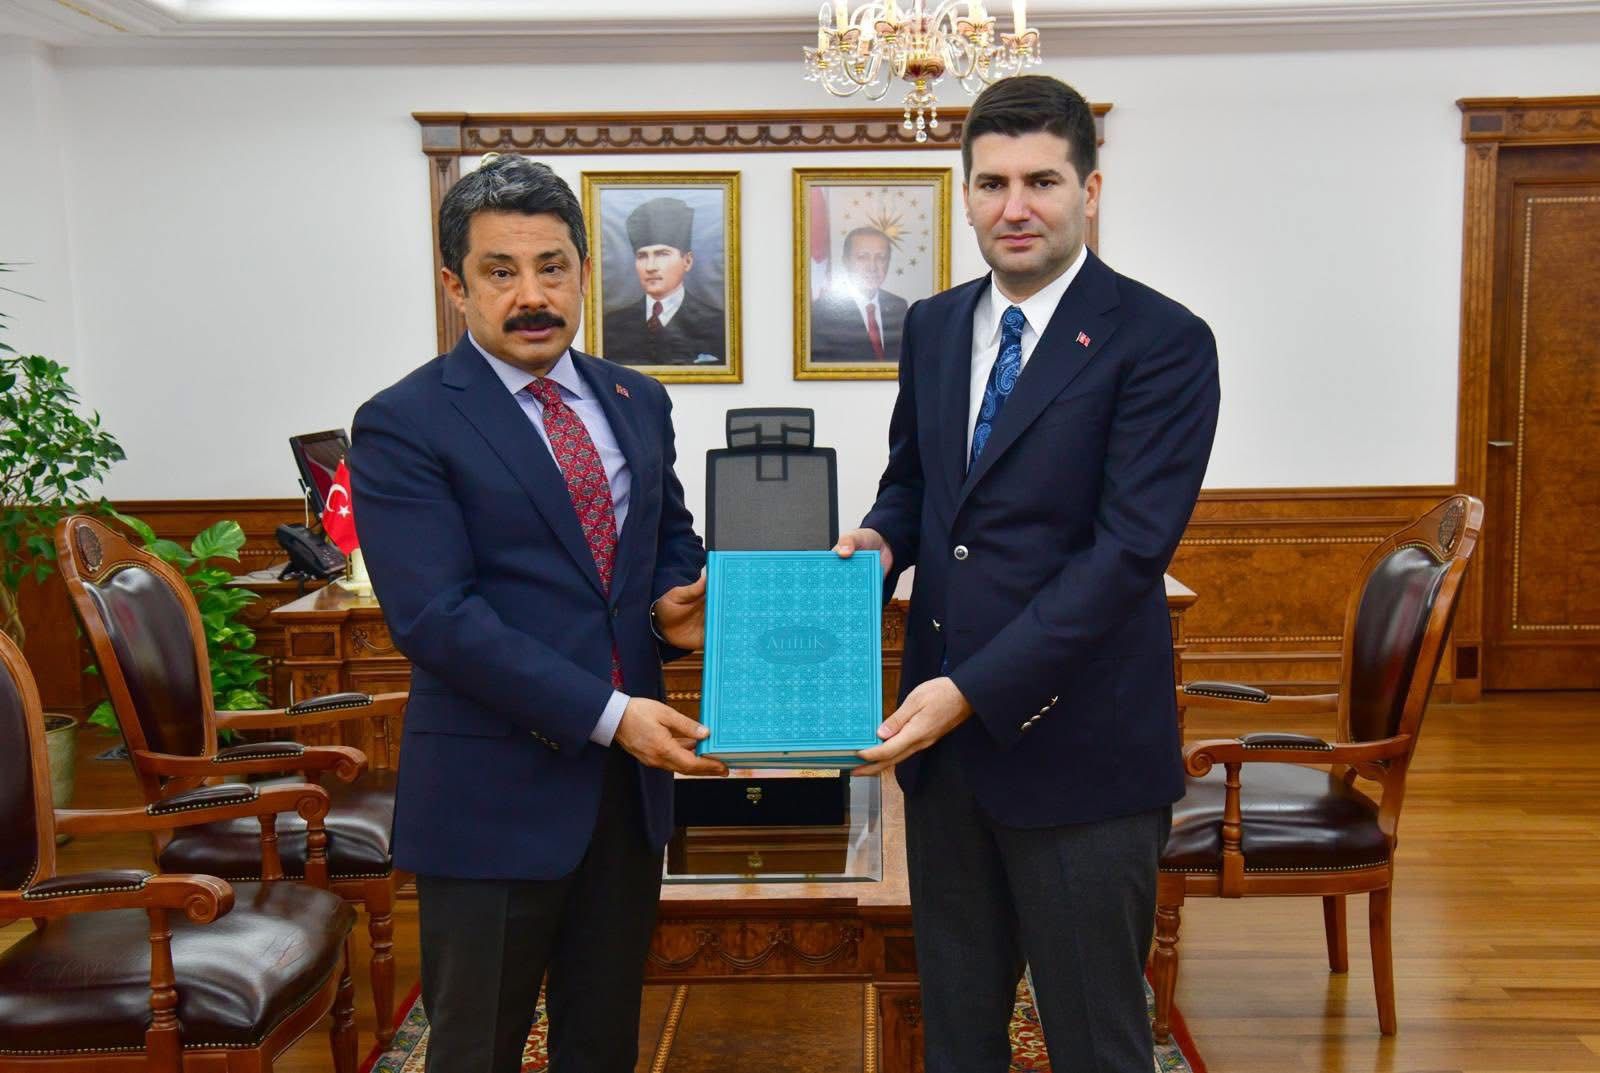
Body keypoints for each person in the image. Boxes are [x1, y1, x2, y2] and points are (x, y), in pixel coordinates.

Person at [836, 75, 1220, 1072]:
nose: (1015, 206)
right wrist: (879, 542)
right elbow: (915, 483)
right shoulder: (933, 326)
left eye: (1041, 181)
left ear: (1089, 190)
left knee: (1094, 1039)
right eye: (992, 182)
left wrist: (970, 688)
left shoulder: (1163, 341)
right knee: (959, 1036)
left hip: (1082, 754)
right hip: (946, 762)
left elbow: (1126, 554)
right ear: (964, 195)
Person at [350, 154, 727, 1073]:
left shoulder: (637, 398)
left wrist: (670, 611)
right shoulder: (404, 422)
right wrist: (612, 715)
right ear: (456, 286)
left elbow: (669, 542)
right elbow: (437, 618)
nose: (532, 295)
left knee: (602, 1044)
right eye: (500, 271)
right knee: (476, 1050)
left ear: (584, 273)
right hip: (491, 798)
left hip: (626, 800)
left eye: (552, 266)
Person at [601, 195, 726, 366]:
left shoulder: (718, 325)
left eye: (662, 254)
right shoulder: (611, 325)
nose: (650, 266)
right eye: (642, 256)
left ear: (687, 261)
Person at [810, 226, 909, 363]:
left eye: (881, 257)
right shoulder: (821, 311)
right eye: (863, 257)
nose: (872, 267)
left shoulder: (899, 306)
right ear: (846, 261)